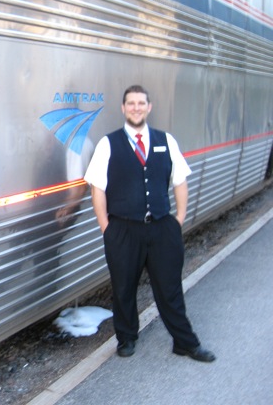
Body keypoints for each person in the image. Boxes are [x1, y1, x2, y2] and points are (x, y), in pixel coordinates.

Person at [84, 85, 215, 362]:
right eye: (131, 103)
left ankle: (185, 342)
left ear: (149, 107)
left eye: (141, 103)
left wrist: (178, 219)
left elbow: (180, 181)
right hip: (122, 229)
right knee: (123, 288)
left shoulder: (166, 140)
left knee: (170, 289)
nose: (136, 108)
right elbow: (98, 189)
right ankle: (126, 338)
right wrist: (107, 228)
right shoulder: (108, 144)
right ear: (123, 108)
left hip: (161, 227)